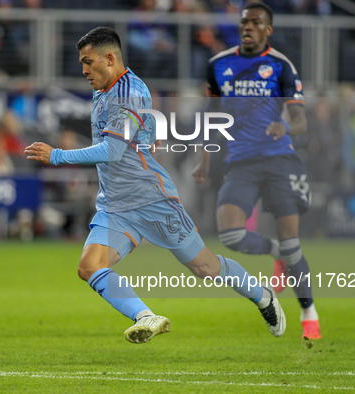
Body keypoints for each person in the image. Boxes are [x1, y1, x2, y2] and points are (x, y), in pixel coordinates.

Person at [25, 26, 285, 344]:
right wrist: (147, 131)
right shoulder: (105, 87)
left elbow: (114, 150)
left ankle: (262, 296)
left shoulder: (128, 93)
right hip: (115, 205)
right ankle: (145, 316)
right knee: (89, 267)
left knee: (205, 268)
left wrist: (57, 155)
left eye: (88, 62)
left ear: (109, 58)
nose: (83, 70)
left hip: (152, 200)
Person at [191, 2, 321, 340]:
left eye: (256, 22)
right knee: (230, 235)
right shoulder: (219, 65)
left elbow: (301, 120)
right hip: (241, 162)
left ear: (268, 30)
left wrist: (287, 128)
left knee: (294, 246)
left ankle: (309, 312)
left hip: (279, 159)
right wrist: (203, 159)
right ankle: (276, 252)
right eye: (244, 21)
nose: (248, 27)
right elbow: (211, 117)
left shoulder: (280, 66)